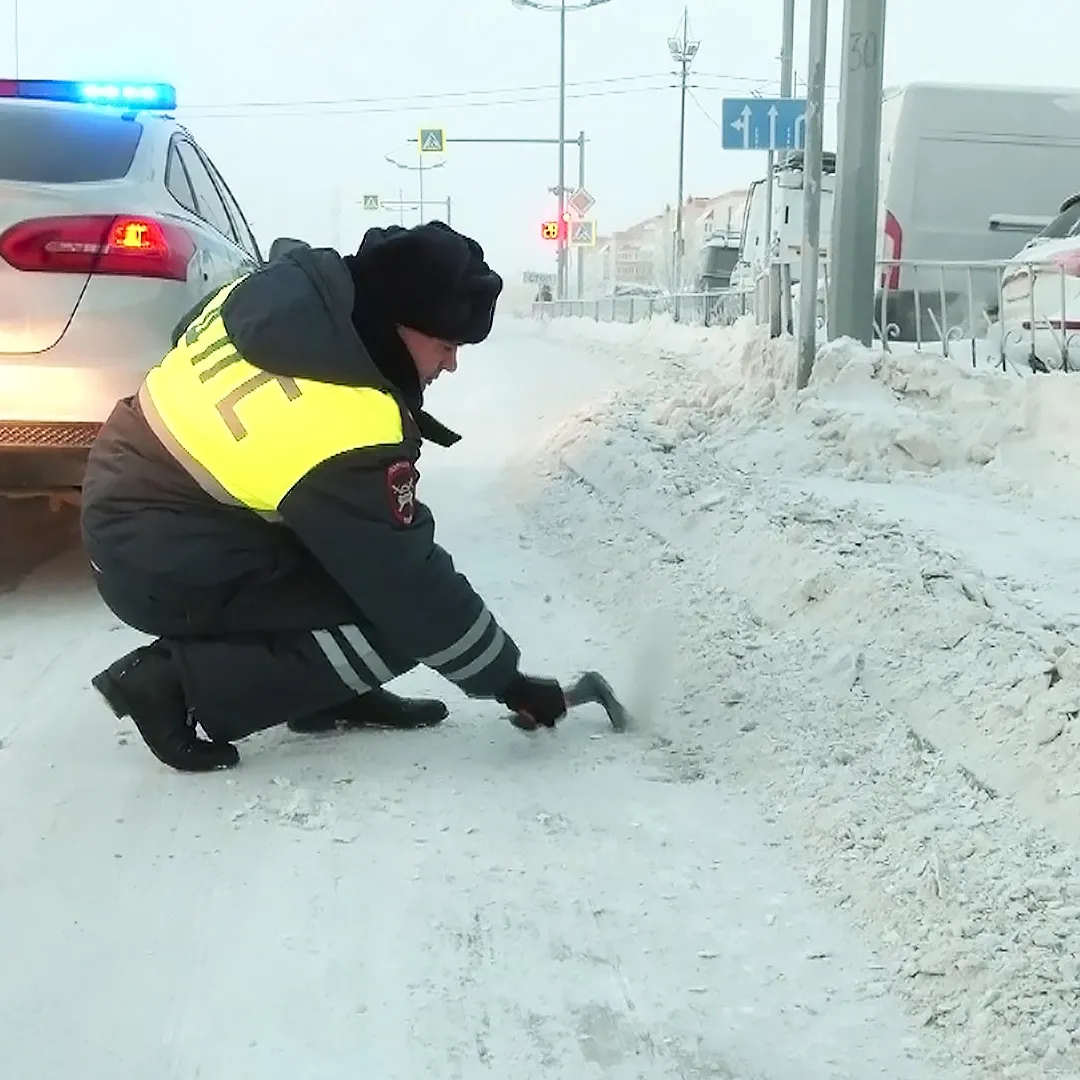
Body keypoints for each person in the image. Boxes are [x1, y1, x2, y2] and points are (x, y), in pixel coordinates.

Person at [80, 221, 568, 772]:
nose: (450, 364)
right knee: (395, 622)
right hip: (157, 560)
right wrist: (509, 681)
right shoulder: (344, 417)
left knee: (355, 568)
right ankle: (171, 683)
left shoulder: (276, 299)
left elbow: (183, 340)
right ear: (400, 323)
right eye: (447, 344)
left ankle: (329, 695)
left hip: (133, 491)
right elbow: (407, 586)